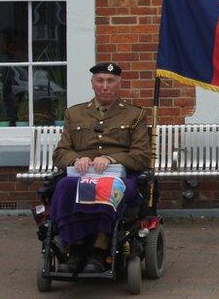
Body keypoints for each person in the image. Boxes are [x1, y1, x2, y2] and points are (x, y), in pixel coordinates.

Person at [49, 62, 151, 274]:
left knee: (107, 186)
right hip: (81, 174)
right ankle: (74, 246)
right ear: (92, 84)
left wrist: (111, 159)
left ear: (119, 84)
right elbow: (60, 153)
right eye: (100, 81)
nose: (105, 86)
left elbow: (141, 156)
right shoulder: (74, 114)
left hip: (120, 176)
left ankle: (99, 248)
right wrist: (76, 159)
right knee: (66, 186)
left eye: (110, 81)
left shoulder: (135, 115)